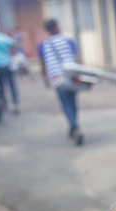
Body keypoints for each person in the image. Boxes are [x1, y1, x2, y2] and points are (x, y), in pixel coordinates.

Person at [39, 18, 83, 146]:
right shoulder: (68, 41)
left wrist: (45, 79)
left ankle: (75, 126)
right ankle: (74, 126)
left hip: (57, 78)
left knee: (66, 104)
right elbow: (77, 58)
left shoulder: (43, 45)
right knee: (73, 102)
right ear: (55, 28)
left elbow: (43, 64)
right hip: (71, 76)